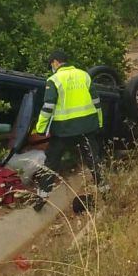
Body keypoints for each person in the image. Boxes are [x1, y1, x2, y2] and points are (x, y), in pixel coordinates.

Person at [33, 50, 104, 206]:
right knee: (93, 159)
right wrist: (98, 122)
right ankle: (105, 191)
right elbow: (96, 101)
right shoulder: (84, 75)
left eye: (51, 64)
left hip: (63, 130)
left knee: (51, 163)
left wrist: (40, 128)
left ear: (55, 62)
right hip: (87, 127)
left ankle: (41, 199)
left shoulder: (54, 79)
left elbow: (48, 106)